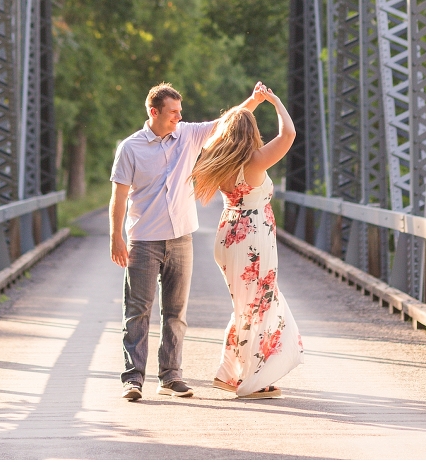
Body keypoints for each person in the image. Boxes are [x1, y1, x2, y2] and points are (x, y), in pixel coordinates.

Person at [109, 82, 267, 402]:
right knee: (138, 311)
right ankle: (133, 379)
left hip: (181, 238)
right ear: (153, 112)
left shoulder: (189, 135)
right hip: (144, 240)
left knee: (176, 312)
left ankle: (170, 376)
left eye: (180, 112)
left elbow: (228, 122)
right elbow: (119, 196)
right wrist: (116, 236)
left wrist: (254, 100)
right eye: (173, 113)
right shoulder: (130, 148)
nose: (179, 118)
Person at [191, 83, 302, 399]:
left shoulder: (217, 157)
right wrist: (275, 102)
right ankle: (253, 378)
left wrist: (251, 102)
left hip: (228, 236)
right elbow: (289, 134)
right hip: (253, 241)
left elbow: (222, 130)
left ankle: (229, 374)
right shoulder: (255, 161)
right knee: (258, 305)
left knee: (246, 306)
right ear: (251, 131)